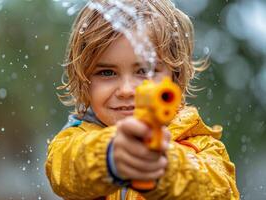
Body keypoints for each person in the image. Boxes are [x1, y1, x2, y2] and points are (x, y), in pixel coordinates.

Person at [45, 0, 239, 199]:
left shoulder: (201, 147)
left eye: (144, 71)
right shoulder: (73, 140)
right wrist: (110, 156)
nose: (127, 90)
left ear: (175, 77)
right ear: (84, 80)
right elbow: (64, 170)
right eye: (107, 72)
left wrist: (162, 167)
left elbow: (220, 191)